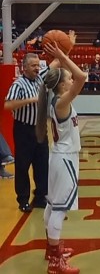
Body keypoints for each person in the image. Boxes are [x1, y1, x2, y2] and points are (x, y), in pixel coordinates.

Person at [36, 42, 87, 274]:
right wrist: (64, 58)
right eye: (68, 78)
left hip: (58, 156)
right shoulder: (62, 102)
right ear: (64, 84)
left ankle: (52, 250)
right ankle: (56, 264)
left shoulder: (53, 99)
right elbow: (83, 77)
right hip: (65, 158)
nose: (71, 80)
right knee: (59, 210)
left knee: (51, 205)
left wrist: (62, 56)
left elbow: (67, 77)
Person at [4, 52, 51, 212]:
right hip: (24, 129)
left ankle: (40, 197)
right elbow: (7, 105)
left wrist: (67, 47)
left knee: (43, 164)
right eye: (33, 66)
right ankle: (23, 200)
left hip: (40, 128)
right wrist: (30, 100)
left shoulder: (40, 78)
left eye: (38, 65)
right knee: (23, 166)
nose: (37, 68)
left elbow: (56, 63)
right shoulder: (18, 84)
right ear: (24, 68)